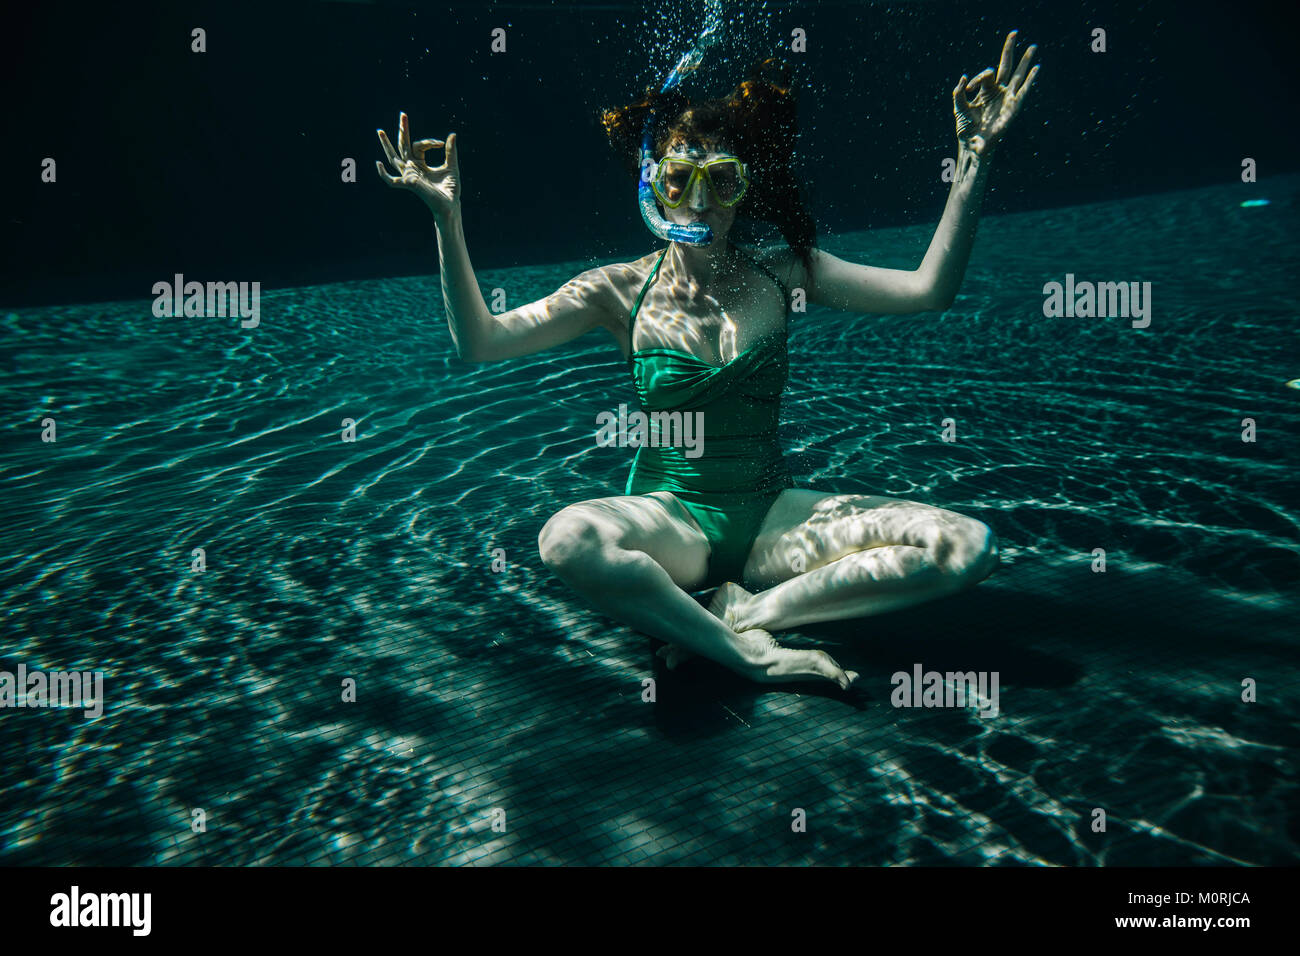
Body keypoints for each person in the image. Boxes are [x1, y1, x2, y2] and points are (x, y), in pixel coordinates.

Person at [376, 31, 1039, 692]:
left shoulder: (786, 274)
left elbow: (929, 290)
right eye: (679, 179)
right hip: (673, 523)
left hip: (774, 518)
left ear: (743, 188)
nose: (700, 201)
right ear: (654, 186)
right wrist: (446, 216)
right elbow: (480, 342)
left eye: (722, 180)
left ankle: (750, 613)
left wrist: (973, 155)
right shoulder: (616, 291)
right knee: (566, 538)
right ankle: (753, 656)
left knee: (966, 546)